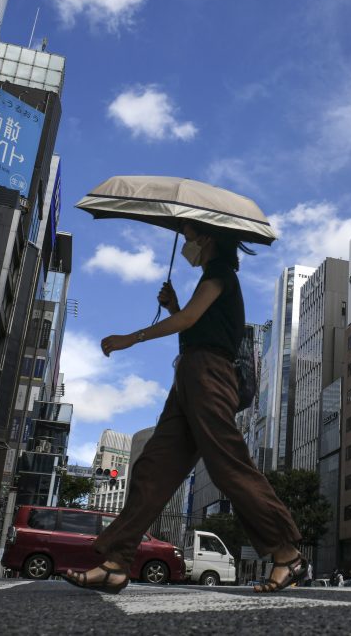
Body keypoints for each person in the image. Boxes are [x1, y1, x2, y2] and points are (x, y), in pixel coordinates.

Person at [63, 222, 306, 595]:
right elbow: (195, 325)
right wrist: (173, 306)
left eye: (191, 236)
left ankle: (287, 552)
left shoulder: (220, 274)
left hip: (209, 376)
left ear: (208, 239)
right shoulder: (210, 280)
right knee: (154, 466)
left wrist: (133, 337)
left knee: (228, 465)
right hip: (192, 376)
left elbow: (191, 322)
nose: (187, 243)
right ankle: (115, 563)